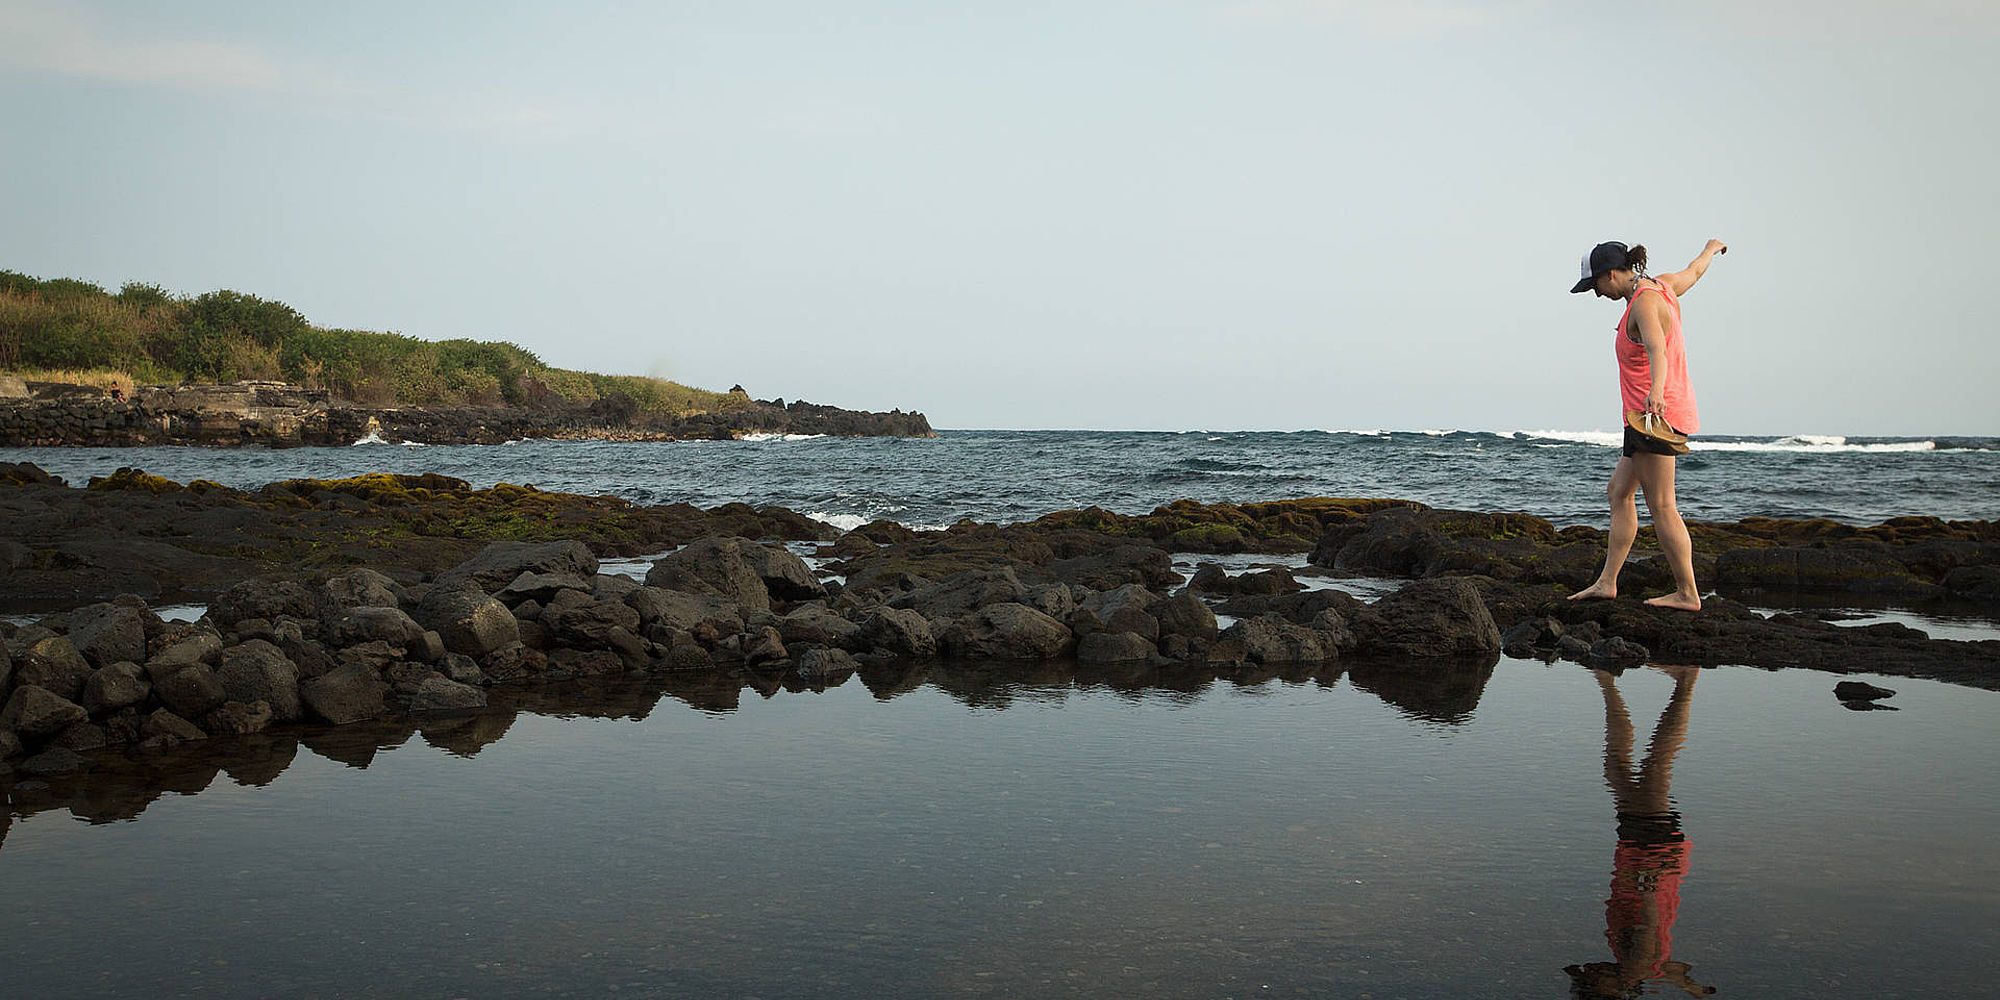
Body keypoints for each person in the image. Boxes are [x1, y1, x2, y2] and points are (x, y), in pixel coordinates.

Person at [1566, 239, 1727, 611]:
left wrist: (1656, 392)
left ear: (1610, 274)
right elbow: (1694, 272)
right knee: (1618, 492)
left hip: (1654, 418)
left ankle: (1688, 593)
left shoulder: (1645, 302)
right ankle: (1607, 582)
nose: (1597, 295)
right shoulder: (1663, 285)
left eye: (1596, 287)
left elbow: (1656, 347)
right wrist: (1709, 250)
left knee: (1662, 505)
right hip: (1643, 419)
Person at [1563, 665, 1716, 999]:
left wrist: (1688, 986)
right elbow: (1648, 924)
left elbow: (1667, 967)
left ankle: (1608, 683)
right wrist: (1646, 880)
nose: (1589, 969)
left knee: (1617, 767)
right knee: (1658, 762)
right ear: (1610, 993)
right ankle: (1686, 681)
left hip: (1643, 852)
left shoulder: (1637, 970)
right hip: (1651, 854)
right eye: (1590, 979)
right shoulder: (1634, 964)